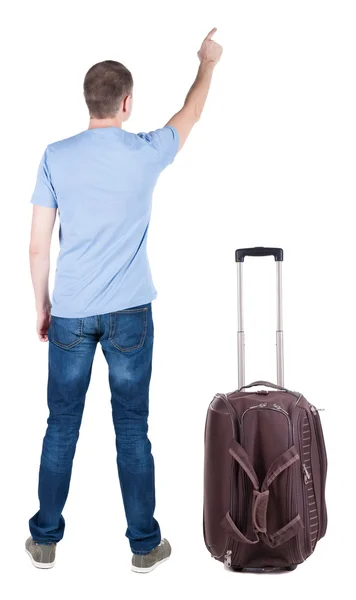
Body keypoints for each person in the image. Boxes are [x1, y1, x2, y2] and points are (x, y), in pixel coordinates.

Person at [26, 28, 223, 572]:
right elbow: (192, 113)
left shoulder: (55, 156)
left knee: (60, 424)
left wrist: (42, 307)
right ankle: (143, 546)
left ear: (89, 101)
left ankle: (44, 541)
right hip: (131, 314)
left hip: (69, 312)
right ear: (127, 103)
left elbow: (37, 246)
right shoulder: (145, 151)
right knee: (132, 427)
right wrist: (207, 63)